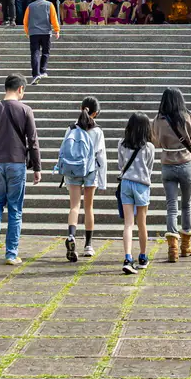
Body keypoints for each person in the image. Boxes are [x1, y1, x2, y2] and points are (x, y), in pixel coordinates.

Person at [0, 74, 40, 264]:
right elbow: (33, 142)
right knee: (15, 209)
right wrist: (37, 167)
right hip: (17, 164)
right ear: (20, 89)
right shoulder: (26, 110)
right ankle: (11, 254)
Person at [150, 87, 191, 262]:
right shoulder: (187, 117)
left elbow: (154, 142)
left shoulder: (157, 120)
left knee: (171, 206)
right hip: (186, 163)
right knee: (187, 205)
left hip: (167, 165)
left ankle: (173, 248)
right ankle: (185, 246)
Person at [55, 96, 106, 261]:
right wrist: (103, 181)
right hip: (90, 171)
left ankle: (71, 236)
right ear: (96, 113)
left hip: (72, 170)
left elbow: (63, 151)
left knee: (74, 207)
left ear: (81, 108)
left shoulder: (70, 129)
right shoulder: (97, 131)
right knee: (89, 207)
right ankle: (88, 246)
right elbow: (101, 158)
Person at [116, 112, 155, 274]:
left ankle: (127, 257)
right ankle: (143, 256)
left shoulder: (121, 144)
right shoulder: (149, 147)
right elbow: (149, 167)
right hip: (142, 185)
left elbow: (120, 165)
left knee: (128, 224)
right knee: (142, 223)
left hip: (126, 183)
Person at [23, 0, 60, 84]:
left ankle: (36, 74)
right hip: (46, 33)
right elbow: (54, 18)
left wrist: (27, 32)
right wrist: (57, 30)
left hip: (34, 33)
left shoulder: (30, 6)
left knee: (35, 53)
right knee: (45, 52)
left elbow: (25, 20)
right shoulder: (49, 5)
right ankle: (43, 70)